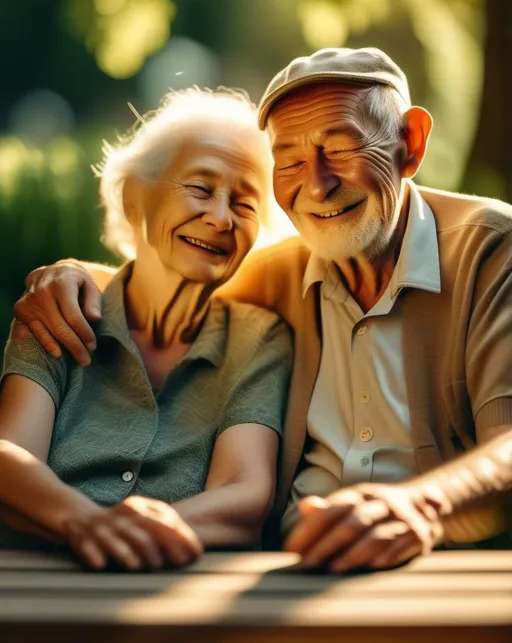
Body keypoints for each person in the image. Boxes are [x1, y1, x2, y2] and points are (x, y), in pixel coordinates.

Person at [12, 48, 512, 570]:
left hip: (442, 566)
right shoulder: (278, 274)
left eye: (339, 148)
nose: (315, 184)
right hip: (289, 571)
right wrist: (73, 273)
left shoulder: (490, 249)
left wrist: (419, 504)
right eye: (290, 160)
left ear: (410, 144)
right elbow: (163, 292)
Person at [0, 87, 293, 569]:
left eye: (244, 205)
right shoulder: (58, 306)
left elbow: (245, 496)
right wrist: (86, 522)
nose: (220, 217)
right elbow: (10, 456)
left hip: (173, 585)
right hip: (33, 583)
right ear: (136, 197)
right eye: (200, 188)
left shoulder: (259, 338)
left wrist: (133, 535)